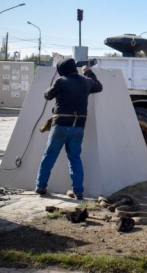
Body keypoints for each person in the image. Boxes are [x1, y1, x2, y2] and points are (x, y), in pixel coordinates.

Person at [35, 58, 102, 200]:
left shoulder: (61, 81)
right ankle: (78, 191)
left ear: (62, 70)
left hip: (60, 125)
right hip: (78, 126)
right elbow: (99, 86)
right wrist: (88, 72)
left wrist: (52, 86)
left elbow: (48, 95)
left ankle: (41, 186)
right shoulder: (86, 81)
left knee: (49, 156)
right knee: (75, 158)